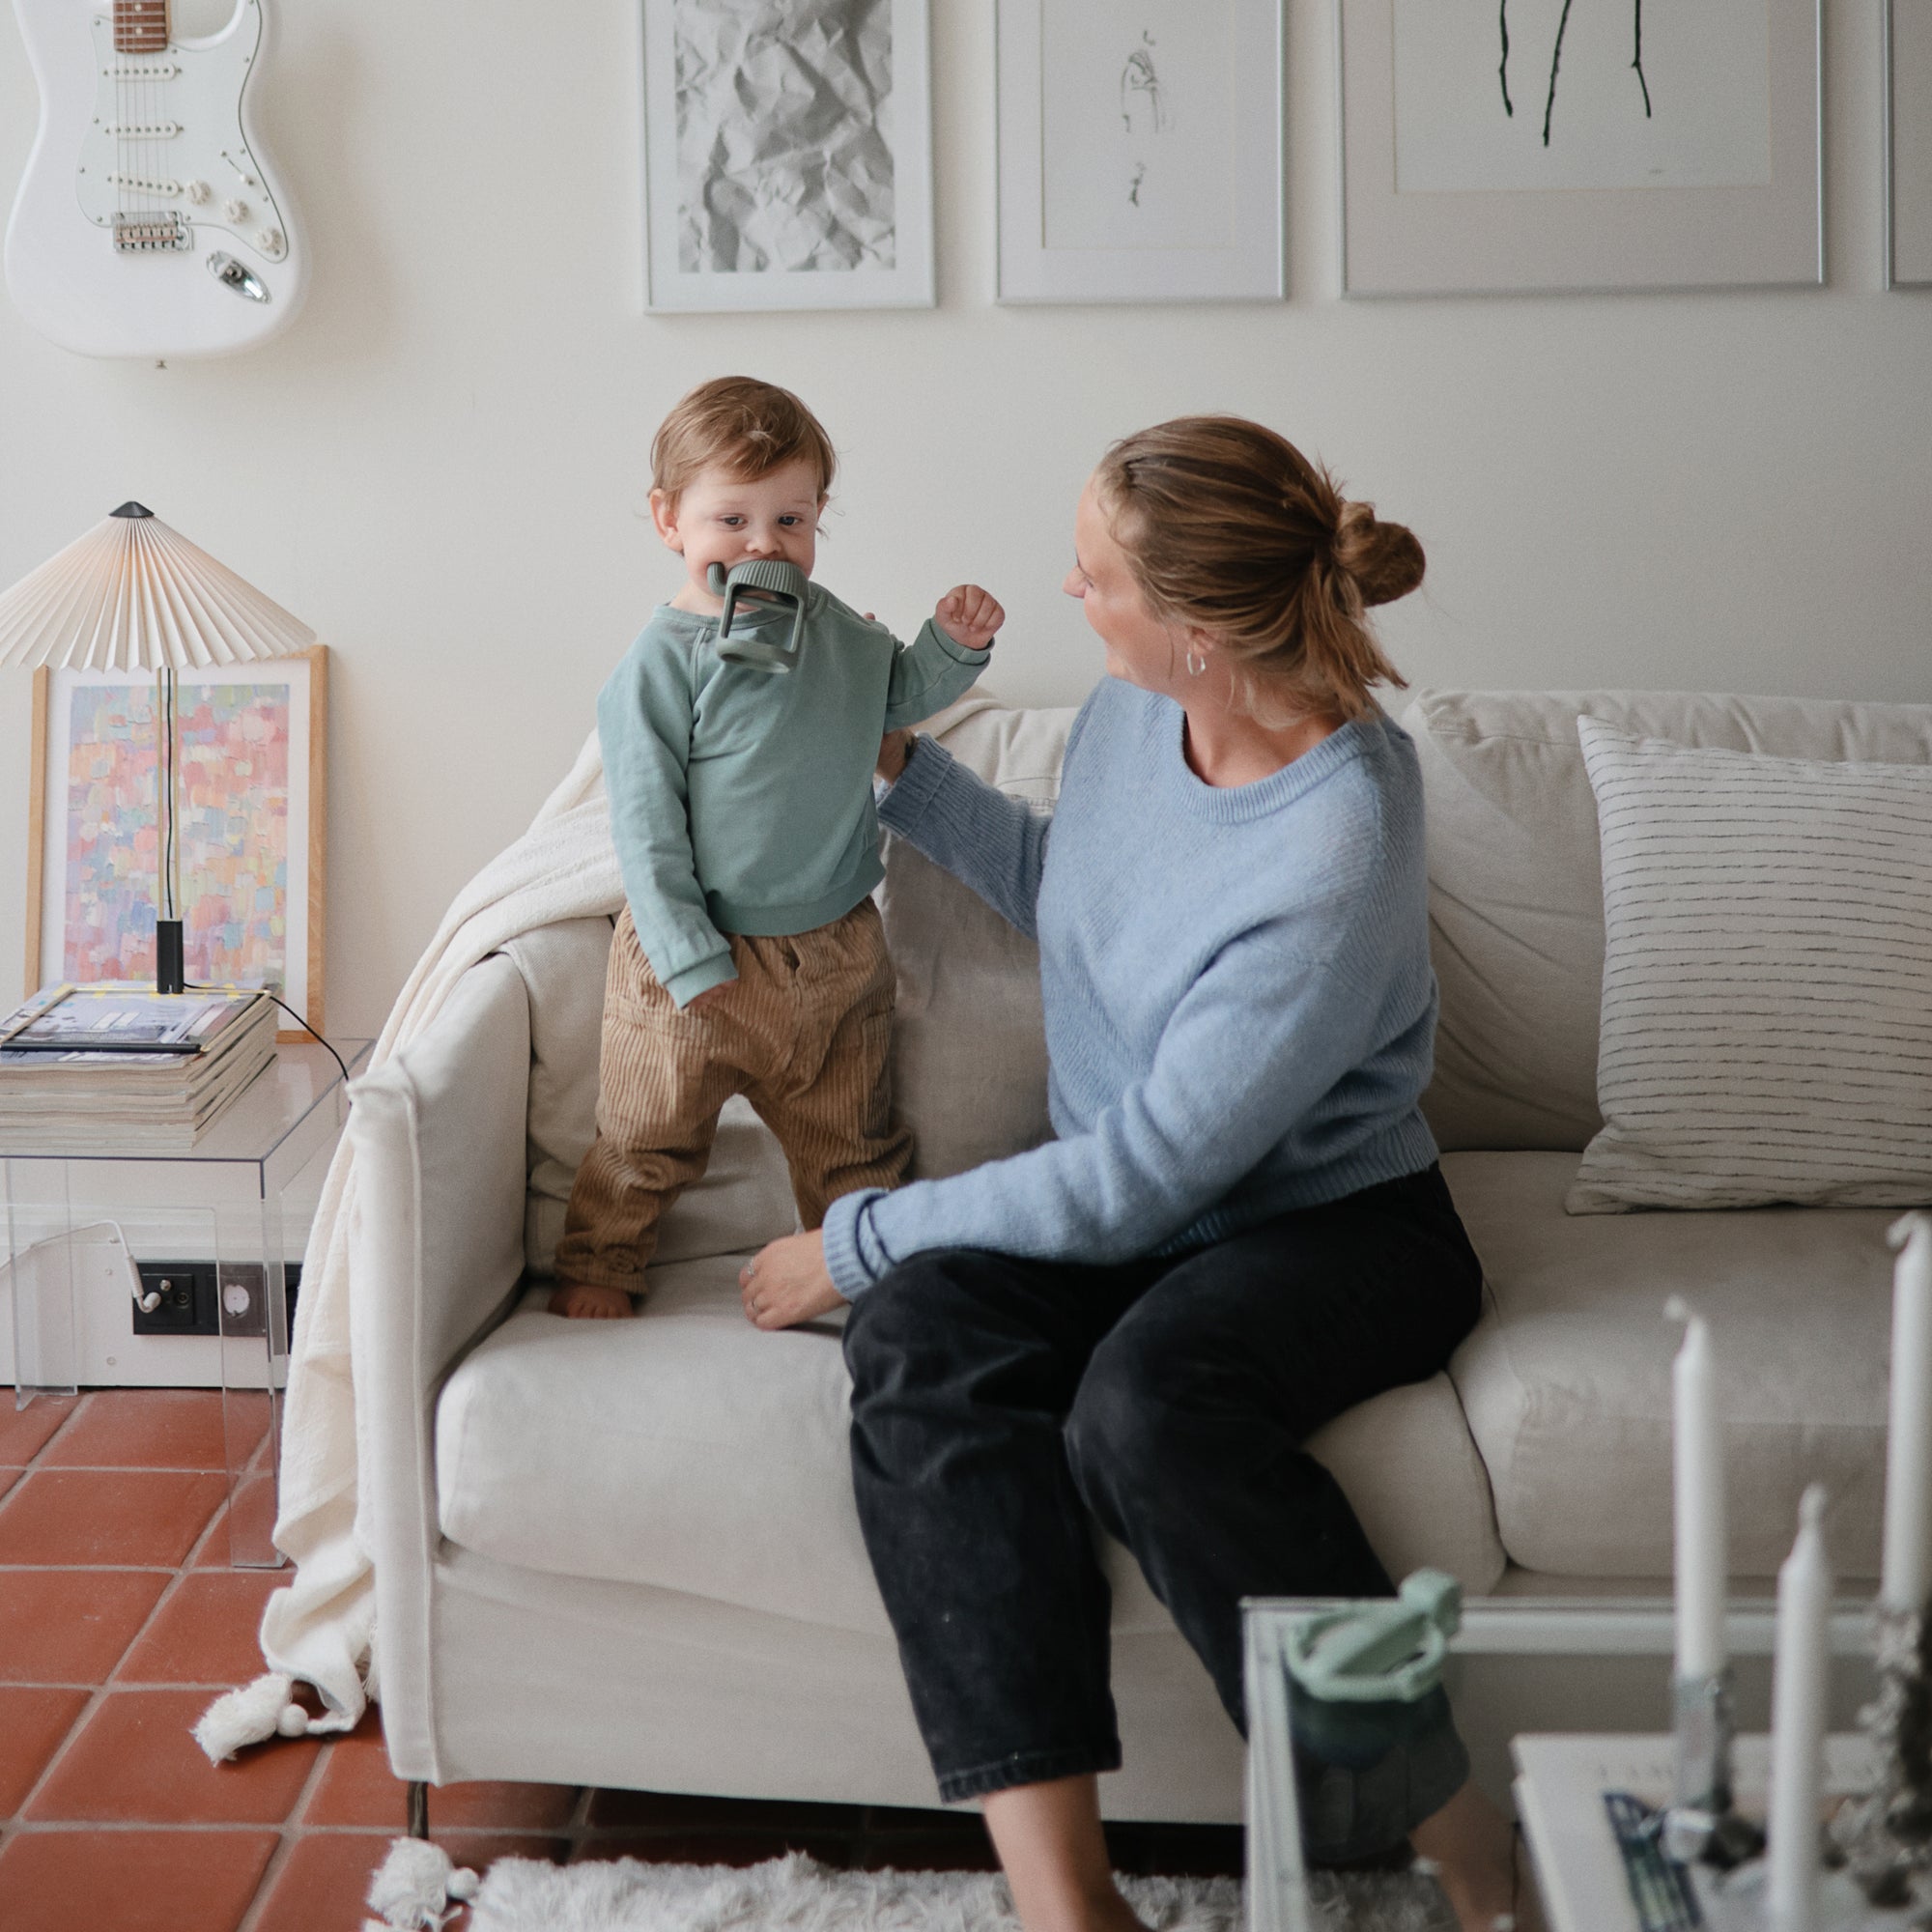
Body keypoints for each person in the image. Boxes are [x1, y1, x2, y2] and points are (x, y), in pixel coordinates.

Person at [736, 415, 1538, 1932]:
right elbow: (1074, 892)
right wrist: (895, 766)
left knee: (1148, 1409)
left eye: (1095, 574)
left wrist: (861, 1239)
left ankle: (1456, 1837)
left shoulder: (1342, 837)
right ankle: (1068, 1908)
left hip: (1335, 1229)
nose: (1069, 589)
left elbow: (1143, 1177)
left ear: (1194, 632)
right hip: (1142, 1203)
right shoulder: (1131, 717)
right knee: (923, 1338)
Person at [552, 376, 1004, 1319]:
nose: (763, 545)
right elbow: (644, 821)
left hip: (834, 950)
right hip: (696, 957)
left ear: (817, 519)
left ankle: (861, 1272)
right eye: (732, 520)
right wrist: (682, 952)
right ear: (668, 519)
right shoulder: (657, 663)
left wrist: (949, 647)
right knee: (644, 1134)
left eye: (789, 520)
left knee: (854, 1141)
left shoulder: (835, 632)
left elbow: (894, 693)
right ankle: (602, 1262)